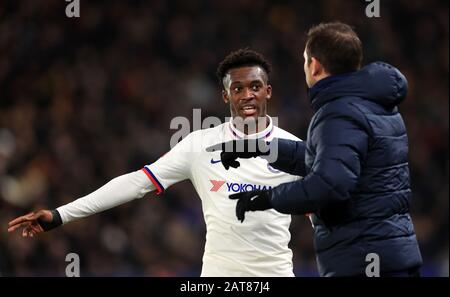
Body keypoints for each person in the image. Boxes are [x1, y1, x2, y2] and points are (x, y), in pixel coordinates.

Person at [7, 49, 304, 277]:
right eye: (238, 88)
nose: (247, 95)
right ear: (225, 95)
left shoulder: (295, 150)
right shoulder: (198, 144)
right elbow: (137, 182)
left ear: (268, 91)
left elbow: (322, 210)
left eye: (255, 86)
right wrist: (60, 215)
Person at [213, 22, 423, 277]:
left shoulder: (339, 112)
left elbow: (331, 184)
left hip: (363, 260)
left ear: (314, 65)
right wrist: (258, 148)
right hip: (388, 254)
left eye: (304, 60)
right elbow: (331, 161)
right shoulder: (375, 105)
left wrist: (268, 197)